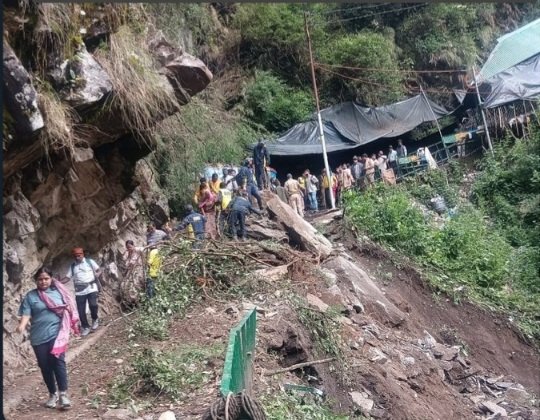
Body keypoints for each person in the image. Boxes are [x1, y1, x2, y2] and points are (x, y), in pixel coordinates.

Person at [17, 267, 79, 409]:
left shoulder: (59, 292)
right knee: (45, 367)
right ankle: (52, 394)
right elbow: (26, 314)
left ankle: (63, 394)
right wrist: (22, 325)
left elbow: (68, 307)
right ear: (36, 281)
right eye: (40, 279)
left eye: (46, 278)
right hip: (38, 337)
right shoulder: (31, 296)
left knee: (58, 362)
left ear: (51, 279)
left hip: (57, 334)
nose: (43, 281)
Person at [64, 247, 101, 337]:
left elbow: (99, 270)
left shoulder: (90, 262)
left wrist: (97, 274)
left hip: (91, 287)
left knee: (93, 305)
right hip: (79, 291)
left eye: (79, 255)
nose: (77, 257)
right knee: (81, 311)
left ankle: (95, 319)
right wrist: (58, 282)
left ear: (83, 254)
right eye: (75, 256)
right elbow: (67, 278)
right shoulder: (73, 266)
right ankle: (85, 327)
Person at [120, 240, 145, 308]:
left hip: (138, 270)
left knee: (134, 286)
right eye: (127, 247)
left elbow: (145, 249)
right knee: (123, 285)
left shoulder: (138, 250)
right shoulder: (127, 254)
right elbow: (127, 264)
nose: (129, 249)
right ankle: (130, 303)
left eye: (130, 247)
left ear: (133, 245)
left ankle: (138, 302)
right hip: (130, 272)